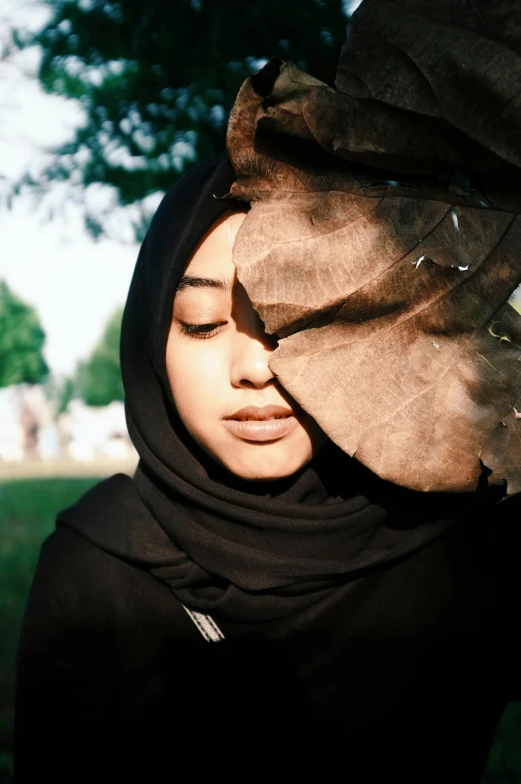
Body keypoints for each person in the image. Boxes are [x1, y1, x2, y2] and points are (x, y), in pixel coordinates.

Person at [14, 151, 521, 783]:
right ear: (151, 337)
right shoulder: (93, 568)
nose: (253, 367)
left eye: (294, 321)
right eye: (202, 325)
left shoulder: (463, 538)